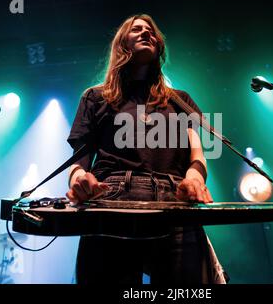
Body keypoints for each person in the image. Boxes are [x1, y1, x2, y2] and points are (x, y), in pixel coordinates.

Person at [65, 14, 227, 284]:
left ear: (159, 46)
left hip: (174, 199)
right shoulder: (95, 97)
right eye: (136, 29)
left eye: (150, 32)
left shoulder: (181, 101)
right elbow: (78, 161)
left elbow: (197, 155)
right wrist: (80, 180)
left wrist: (195, 179)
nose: (145, 34)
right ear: (121, 44)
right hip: (110, 200)